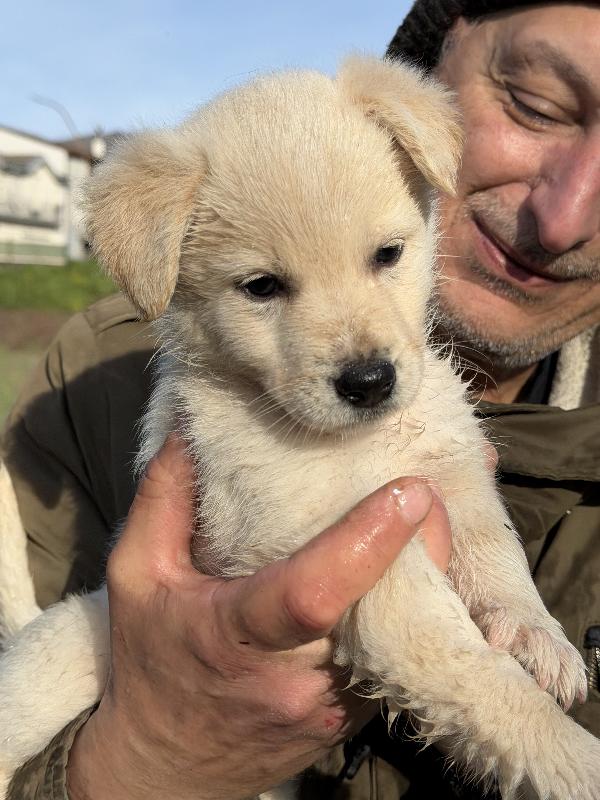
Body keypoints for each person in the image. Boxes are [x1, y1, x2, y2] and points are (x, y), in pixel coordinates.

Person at [2, 1, 599, 797]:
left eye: (386, 255)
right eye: (263, 285)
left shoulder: (427, 367)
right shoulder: (124, 383)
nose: (361, 355)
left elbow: (455, 473)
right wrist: (137, 757)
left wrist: (511, 606)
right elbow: (368, 588)